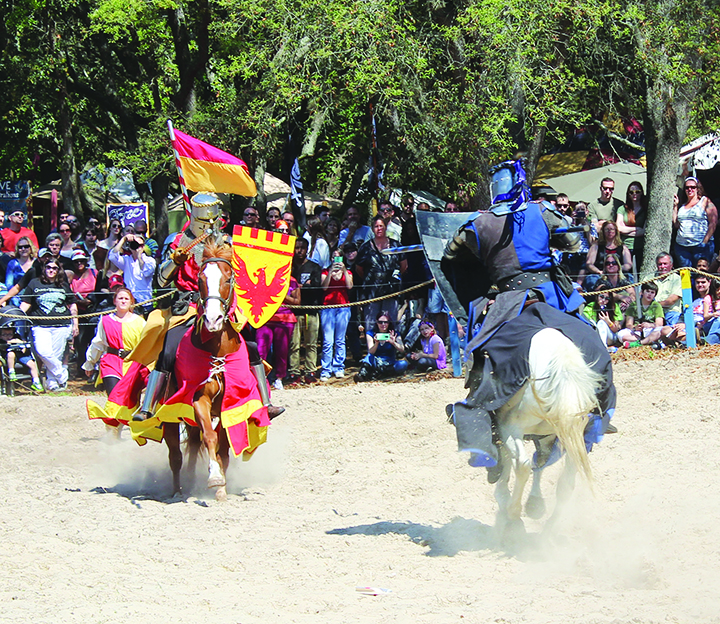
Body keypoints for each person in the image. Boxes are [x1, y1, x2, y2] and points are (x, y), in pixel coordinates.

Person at [20, 260, 78, 391]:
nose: (51, 270)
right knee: (43, 352)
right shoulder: (34, 283)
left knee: (56, 355)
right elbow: (25, 303)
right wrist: (16, 314)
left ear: (58, 270)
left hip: (61, 324)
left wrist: (75, 323)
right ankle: (61, 374)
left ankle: (53, 383)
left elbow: (72, 304)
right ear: (44, 268)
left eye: (55, 268)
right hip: (40, 325)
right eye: (48, 267)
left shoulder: (63, 285)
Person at [83, 288, 146, 395]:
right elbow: (98, 343)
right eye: (120, 298)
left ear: (131, 302)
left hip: (132, 362)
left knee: (130, 399)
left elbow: (146, 346)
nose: (123, 301)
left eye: (126, 299)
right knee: (113, 396)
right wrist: (90, 363)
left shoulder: (140, 322)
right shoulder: (105, 321)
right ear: (114, 301)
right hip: (111, 361)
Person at [355, 215, 406, 330]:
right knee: (371, 324)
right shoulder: (365, 248)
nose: (379, 229)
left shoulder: (396, 245)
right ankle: (372, 347)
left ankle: (390, 347)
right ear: (372, 229)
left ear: (385, 227)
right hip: (372, 292)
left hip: (391, 291)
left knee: (390, 324)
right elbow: (359, 269)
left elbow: (404, 266)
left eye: (381, 226)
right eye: (376, 226)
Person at [288, 238, 322, 383]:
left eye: (302, 248)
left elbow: (316, 287)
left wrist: (302, 287)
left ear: (307, 249)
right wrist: (303, 286)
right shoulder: (289, 267)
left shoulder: (314, 267)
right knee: (294, 344)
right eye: (297, 248)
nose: (299, 250)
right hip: (294, 311)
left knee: (311, 343)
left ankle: (310, 371)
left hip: (311, 310)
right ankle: (294, 372)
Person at [256, 277, 300, 389]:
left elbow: (297, 302)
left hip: (285, 319)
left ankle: (279, 378)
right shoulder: (263, 278)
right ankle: (261, 378)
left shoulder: (291, 281)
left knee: (282, 351)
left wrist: (280, 295)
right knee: (261, 349)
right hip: (264, 318)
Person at [319, 250, 353, 380]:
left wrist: (343, 270)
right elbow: (324, 287)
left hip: (343, 307)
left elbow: (350, 286)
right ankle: (326, 369)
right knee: (328, 340)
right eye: (334, 257)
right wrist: (331, 272)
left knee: (340, 339)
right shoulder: (325, 271)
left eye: (339, 257)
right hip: (328, 307)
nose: (336, 259)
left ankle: (339, 366)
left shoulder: (348, 272)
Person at [673, 176, 718, 268]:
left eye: (693, 187)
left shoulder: (705, 201)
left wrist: (705, 241)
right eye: (687, 187)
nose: (690, 189)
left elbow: (713, 222)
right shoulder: (683, 206)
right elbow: (676, 224)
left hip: (700, 245)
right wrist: (675, 207)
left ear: (698, 188)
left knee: (701, 273)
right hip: (682, 246)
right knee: (686, 275)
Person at [108, 232, 156, 314]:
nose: (137, 247)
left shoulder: (150, 260)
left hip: (145, 302)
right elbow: (112, 256)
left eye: (140, 245)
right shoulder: (126, 260)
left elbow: (146, 272)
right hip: (130, 303)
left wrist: (139, 257)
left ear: (143, 246)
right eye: (134, 245)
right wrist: (123, 239)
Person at [354, 313, 408, 381]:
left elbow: (402, 349)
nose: (383, 324)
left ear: (389, 323)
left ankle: (379, 373)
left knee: (403, 364)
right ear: (377, 322)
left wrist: (393, 342)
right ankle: (362, 375)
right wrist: (376, 343)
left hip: (389, 363)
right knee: (368, 357)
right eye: (380, 322)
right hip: (376, 361)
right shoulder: (370, 333)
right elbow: (371, 351)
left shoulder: (395, 334)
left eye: (385, 322)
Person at [584, 220, 633, 289]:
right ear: (603, 232)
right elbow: (589, 264)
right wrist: (599, 271)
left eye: (612, 229)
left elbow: (628, 264)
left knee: (630, 279)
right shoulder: (596, 245)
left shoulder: (622, 246)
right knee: (590, 280)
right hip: (600, 274)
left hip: (619, 275)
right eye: (607, 229)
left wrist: (616, 270)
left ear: (616, 231)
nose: (609, 231)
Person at [0, 321, 43, 391]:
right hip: (8, 356)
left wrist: (21, 344)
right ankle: (11, 371)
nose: (8, 336)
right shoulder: (2, 341)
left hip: (20, 355)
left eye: (10, 334)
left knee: (32, 363)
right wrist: (9, 342)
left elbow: (23, 345)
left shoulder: (17, 337)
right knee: (11, 354)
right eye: (4, 335)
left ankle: (36, 381)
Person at [616, 181, 647, 267]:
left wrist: (626, 229)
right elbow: (619, 228)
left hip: (641, 246)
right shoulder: (622, 209)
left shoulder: (646, 209)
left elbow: (644, 231)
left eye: (637, 192)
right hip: (625, 246)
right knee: (626, 271)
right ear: (628, 194)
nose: (634, 194)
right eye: (631, 192)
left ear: (641, 193)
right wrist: (636, 229)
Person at [652, 252, 683, 325]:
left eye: (665, 264)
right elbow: (641, 296)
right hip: (651, 313)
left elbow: (670, 301)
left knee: (676, 328)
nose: (662, 266)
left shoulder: (678, 279)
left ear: (671, 265)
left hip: (670, 313)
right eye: (660, 264)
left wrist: (652, 305)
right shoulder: (649, 278)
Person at [5, 237, 36, 307]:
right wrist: (16, 297)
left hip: (34, 295)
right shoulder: (12, 263)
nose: (23, 249)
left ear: (31, 248)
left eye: (26, 246)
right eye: (20, 247)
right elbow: (9, 284)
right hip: (16, 296)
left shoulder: (36, 263)